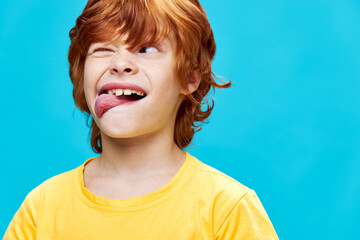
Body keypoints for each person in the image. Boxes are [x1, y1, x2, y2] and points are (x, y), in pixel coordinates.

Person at [4, 0, 279, 239]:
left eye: (146, 49)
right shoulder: (41, 208)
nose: (119, 63)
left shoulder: (227, 209)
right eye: (103, 49)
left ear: (190, 78)